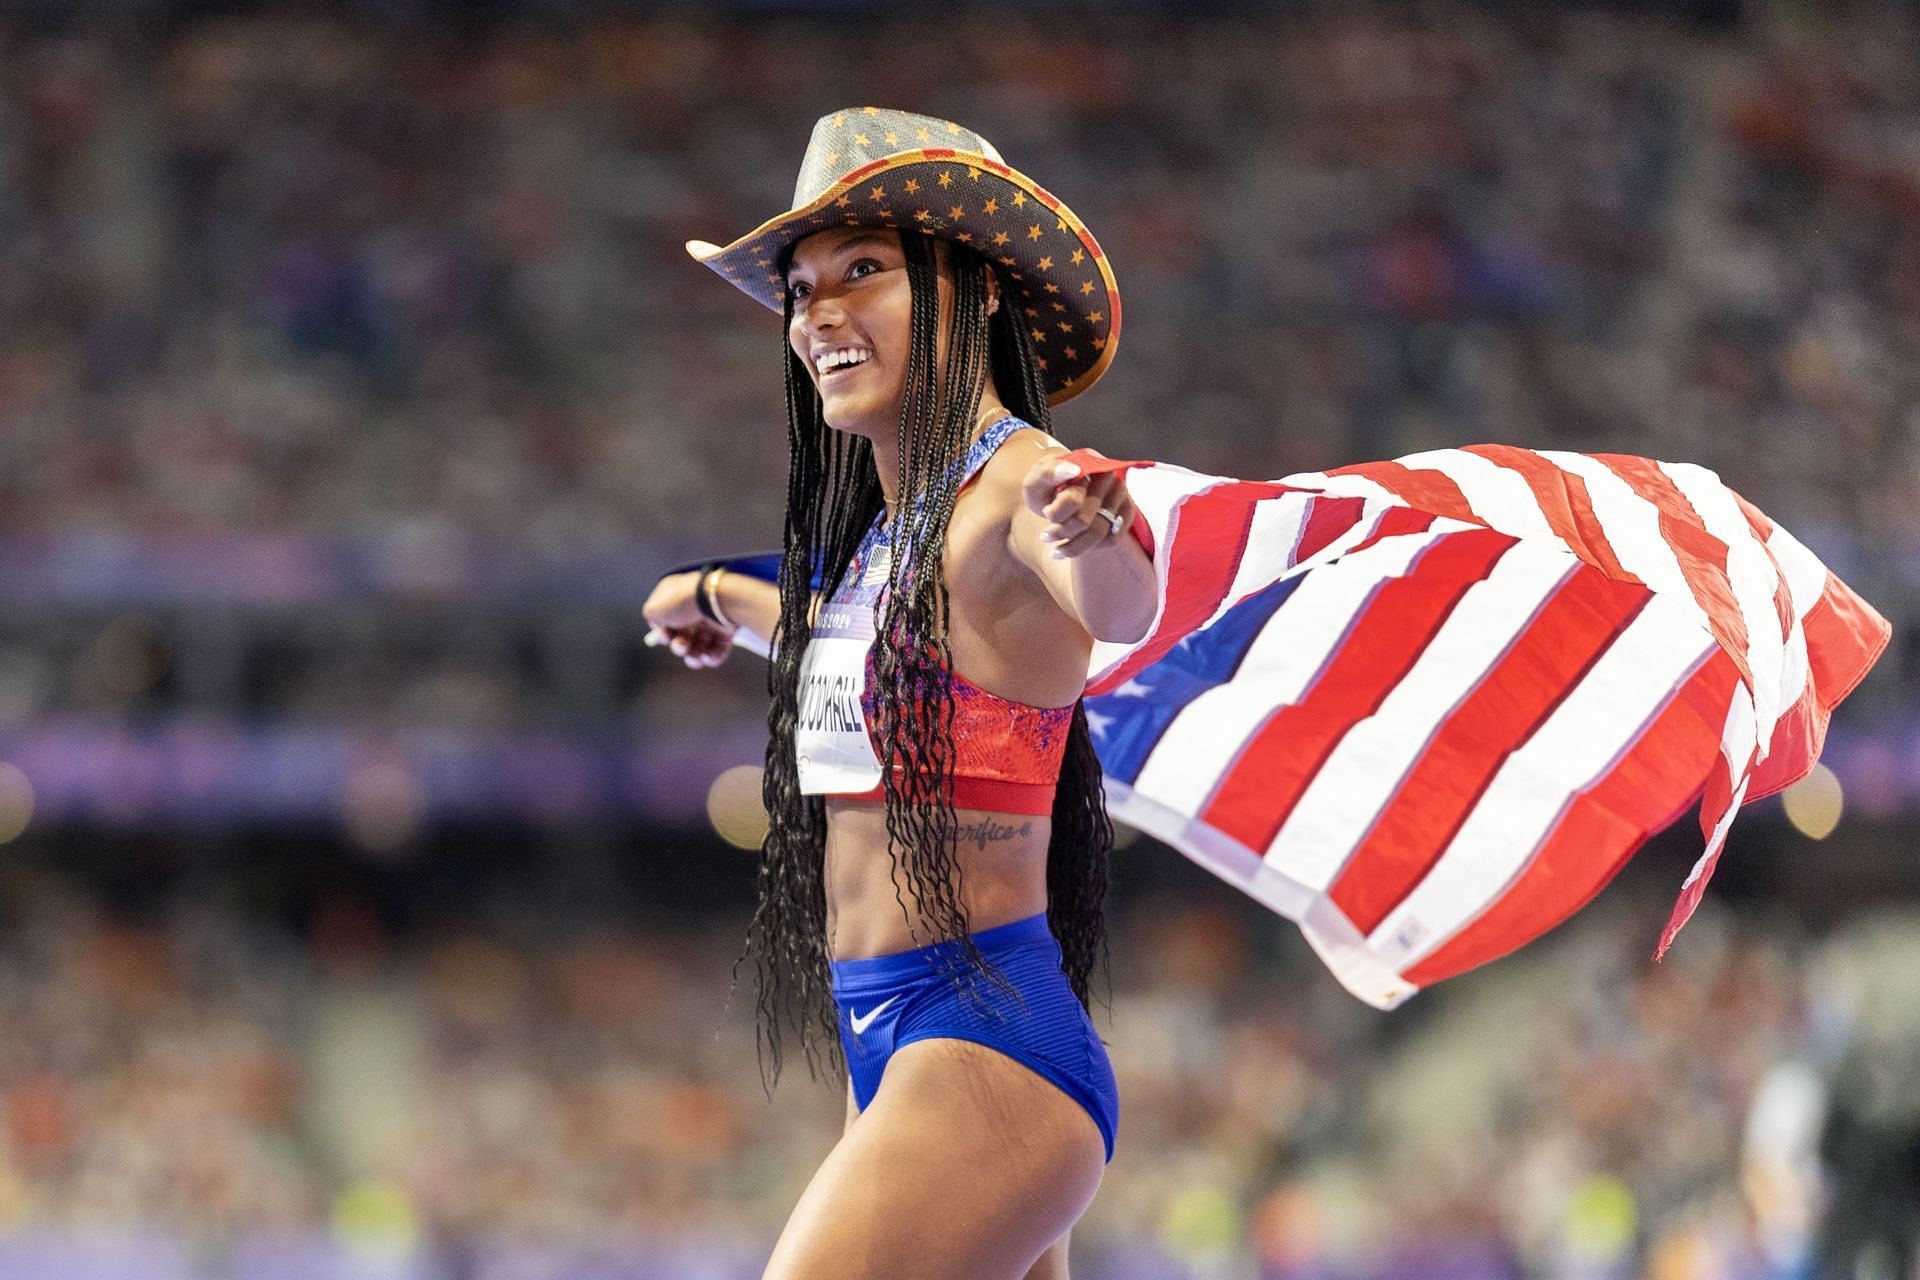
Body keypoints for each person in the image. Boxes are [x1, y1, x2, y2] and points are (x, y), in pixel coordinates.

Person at [642, 108, 1151, 1279]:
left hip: (983, 1045)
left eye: (861, 272)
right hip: (918, 1047)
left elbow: (1115, 604)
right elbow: (832, 636)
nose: (817, 313)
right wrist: (709, 592)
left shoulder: (1020, 486)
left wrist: (1095, 537)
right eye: (801, 290)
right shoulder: (891, 539)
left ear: (969, 293)